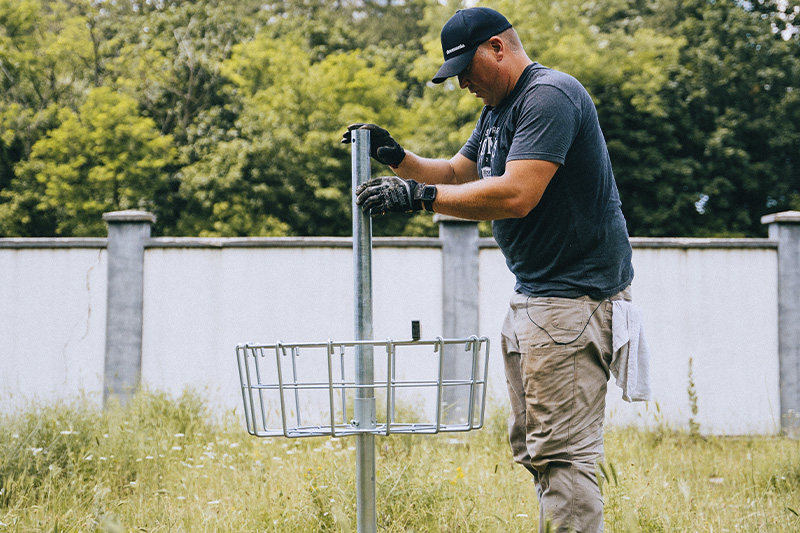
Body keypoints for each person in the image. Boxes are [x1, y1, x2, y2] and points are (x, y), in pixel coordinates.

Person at [342, 7, 648, 532]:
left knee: (563, 456)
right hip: (537, 298)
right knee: (538, 449)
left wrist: (419, 198)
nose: (462, 83)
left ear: (499, 48)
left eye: (466, 68)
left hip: (571, 302)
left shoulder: (548, 96)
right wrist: (398, 158)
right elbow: (458, 173)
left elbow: (516, 194)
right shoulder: (498, 111)